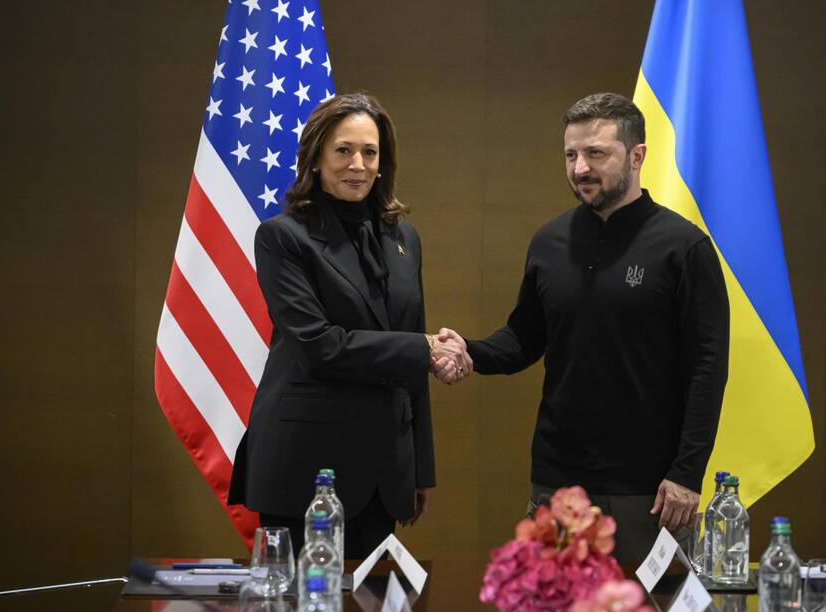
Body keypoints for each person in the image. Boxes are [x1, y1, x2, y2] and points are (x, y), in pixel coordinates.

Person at [435, 92, 729, 563]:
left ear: (638, 156)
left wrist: (688, 472)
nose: (580, 169)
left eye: (596, 153)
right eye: (571, 155)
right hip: (558, 481)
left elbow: (707, 368)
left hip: (652, 490)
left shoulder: (684, 248)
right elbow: (522, 339)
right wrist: (468, 350)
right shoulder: (549, 241)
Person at [228, 92, 471, 557]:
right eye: (343, 150)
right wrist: (424, 347)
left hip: (383, 474)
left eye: (370, 152)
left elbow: (409, 359)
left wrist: (420, 470)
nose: (357, 164)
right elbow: (319, 345)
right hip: (305, 468)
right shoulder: (282, 237)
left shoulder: (403, 239)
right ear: (316, 157)